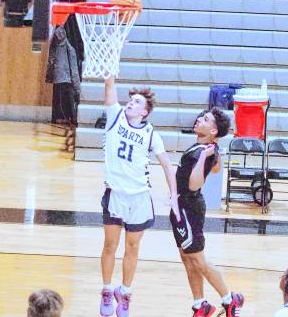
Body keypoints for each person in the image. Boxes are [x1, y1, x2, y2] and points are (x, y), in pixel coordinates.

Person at [100, 76, 180, 317]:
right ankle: (106, 290)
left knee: (132, 247)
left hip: (140, 198)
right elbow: (109, 86)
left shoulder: (151, 134)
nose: (131, 103)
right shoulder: (114, 116)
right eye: (131, 100)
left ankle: (124, 293)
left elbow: (167, 166)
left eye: (137, 102)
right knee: (110, 245)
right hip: (115, 193)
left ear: (145, 112)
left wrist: (173, 195)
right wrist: (109, 74)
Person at [170, 108, 244, 317]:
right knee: (187, 257)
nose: (198, 120)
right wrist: (212, 155)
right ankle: (200, 304)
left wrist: (204, 158)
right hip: (182, 206)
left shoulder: (204, 152)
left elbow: (194, 184)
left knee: (198, 259)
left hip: (189, 207)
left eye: (205, 119)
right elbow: (217, 168)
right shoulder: (206, 147)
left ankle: (229, 301)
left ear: (213, 130)